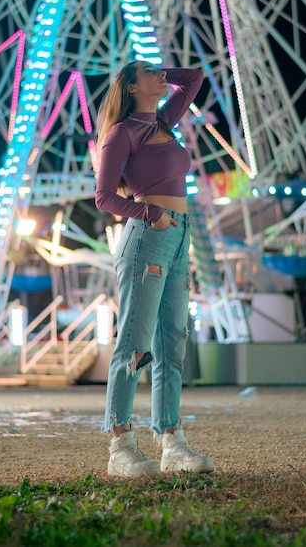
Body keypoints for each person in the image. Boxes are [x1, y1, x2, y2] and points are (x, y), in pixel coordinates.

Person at [95, 60, 214, 478]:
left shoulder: (164, 122)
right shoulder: (121, 133)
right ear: (129, 87)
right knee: (135, 343)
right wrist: (149, 212)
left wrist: (158, 69)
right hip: (148, 237)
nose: (161, 78)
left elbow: (196, 76)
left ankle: (172, 442)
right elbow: (104, 197)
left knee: (172, 345)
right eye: (148, 73)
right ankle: (120, 446)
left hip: (179, 239)